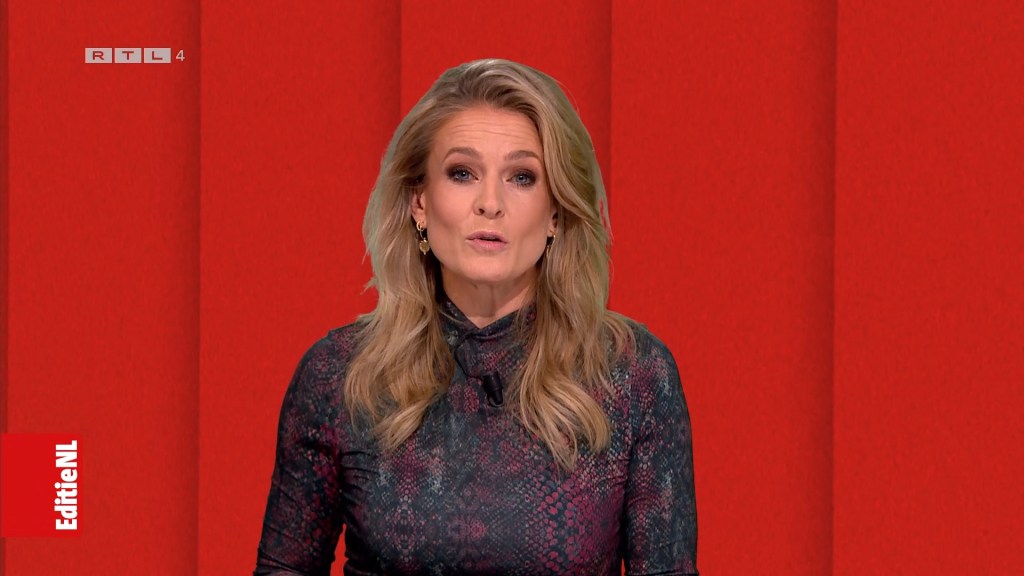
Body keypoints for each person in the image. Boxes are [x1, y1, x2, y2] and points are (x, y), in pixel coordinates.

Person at [254, 58, 697, 576]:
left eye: (522, 177)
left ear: (555, 213)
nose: (490, 203)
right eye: (462, 173)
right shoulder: (338, 375)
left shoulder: (634, 375)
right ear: (420, 202)